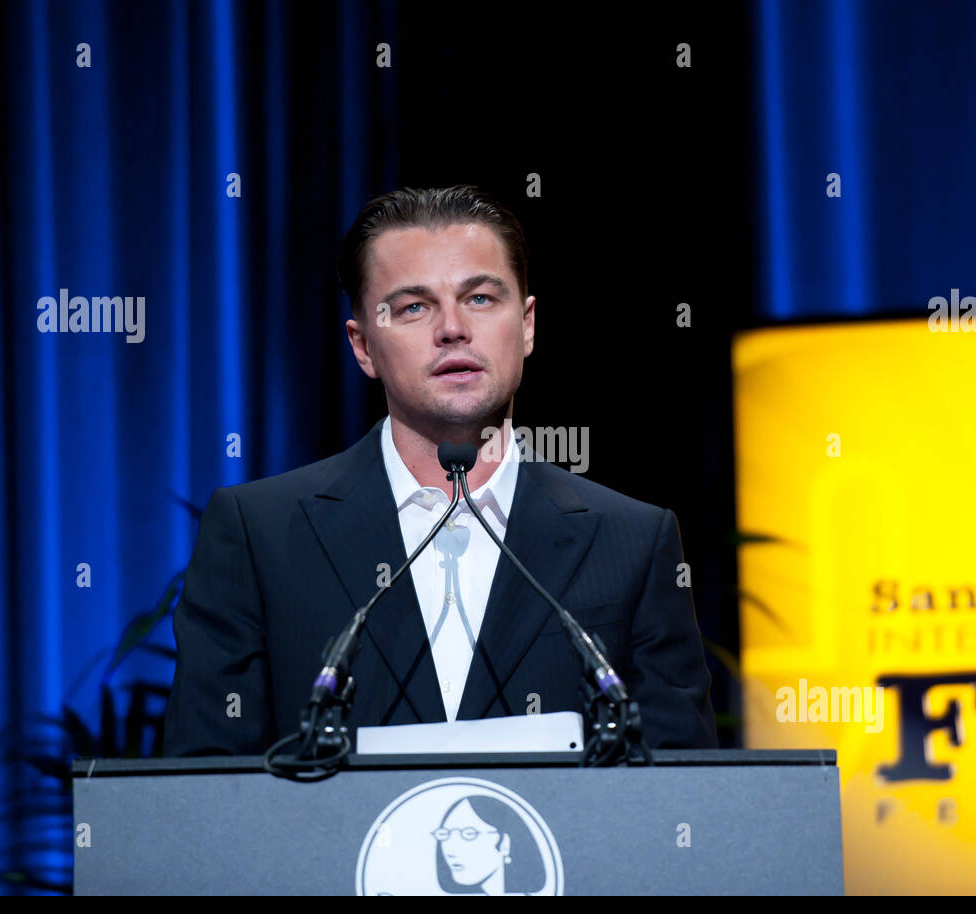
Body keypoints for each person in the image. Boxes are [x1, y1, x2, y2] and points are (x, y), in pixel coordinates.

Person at [163, 184, 717, 755]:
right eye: (413, 307)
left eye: (480, 298)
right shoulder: (258, 535)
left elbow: (680, 793)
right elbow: (207, 789)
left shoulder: (632, 540)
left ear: (526, 325)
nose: (452, 328)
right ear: (363, 347)